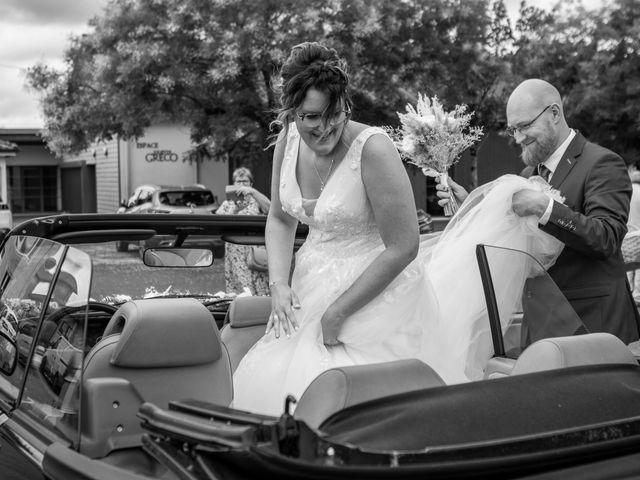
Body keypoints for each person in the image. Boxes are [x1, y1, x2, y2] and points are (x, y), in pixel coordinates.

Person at [231, 44, 565, 415]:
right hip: (307, 288)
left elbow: (403, 245)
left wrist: (337, 313)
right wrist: (279, 283)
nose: (324, 127)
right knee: (281, 390)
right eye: (311, 117)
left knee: (364, 404)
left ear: (347, 106)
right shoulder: (287, 142)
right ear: (292, 113)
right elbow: (280, 218)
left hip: (375, 294)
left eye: (334, 114)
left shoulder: (372, 148)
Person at [438, 78, 640, 345]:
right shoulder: (527, 174)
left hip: (592, 326)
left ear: (554, 113)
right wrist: (469, 209)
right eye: (513, 130)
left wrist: (545, 207)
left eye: (524, 126)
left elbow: (606, 237)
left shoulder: (602, 163)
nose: (519, 138)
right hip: (539, 326)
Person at [216, 167, 271, 295]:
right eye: (238, 181)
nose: (242, 185)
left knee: (260, 286)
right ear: (233, 184)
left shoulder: (257, 201)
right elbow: (219, 225)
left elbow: (270, 209)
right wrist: (235, 210)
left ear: (251, 184)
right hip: (235, 252)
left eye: (245, 181)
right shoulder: (227, 204)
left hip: (255, 250)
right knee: (239, 289)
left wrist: (253, 192)